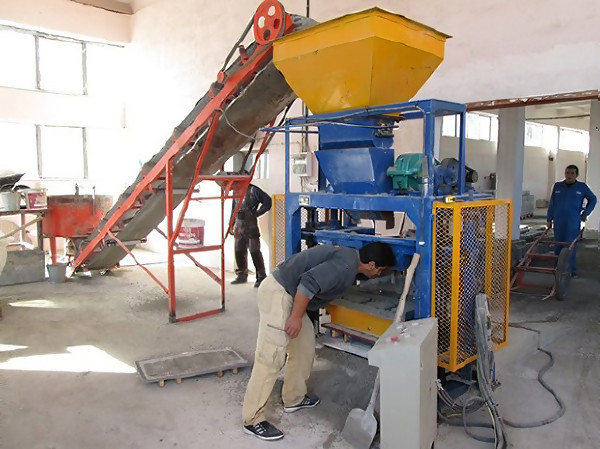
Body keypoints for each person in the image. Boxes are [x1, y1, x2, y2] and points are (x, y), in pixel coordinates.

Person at [242, 242, 396, 441]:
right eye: (380, 270)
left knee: (304, 347)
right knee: (270, 357)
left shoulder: (351, 259)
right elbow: (307, 284)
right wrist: (295, 317)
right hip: (279, 293)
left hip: (292, 296)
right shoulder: (345, 266)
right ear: (372, 264)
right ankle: (252, 419)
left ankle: (293, 398)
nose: (378, 274)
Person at [546, 164, 596, 277]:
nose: (569, 175)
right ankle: (557, 269)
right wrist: (549, 219)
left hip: (573, 221)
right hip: (559, 220)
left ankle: (571, 270)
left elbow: (593, 199)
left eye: (572, 173)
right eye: (567, 173)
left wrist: (585, 213)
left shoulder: (582, 187)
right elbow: (552, 203)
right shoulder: (558, 186)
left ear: (576, 175)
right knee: (558, 244)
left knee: (570, 245)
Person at [230, 183, 272, 288]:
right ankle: (241, 275)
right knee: (239, 250)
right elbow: (233, 209)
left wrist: (257, 213)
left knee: (254, 251)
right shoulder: (235, 191)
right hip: (238, 225)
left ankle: (261, 277)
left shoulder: (254, 190)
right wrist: (231, 224)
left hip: (251, 225)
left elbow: (268, 201)